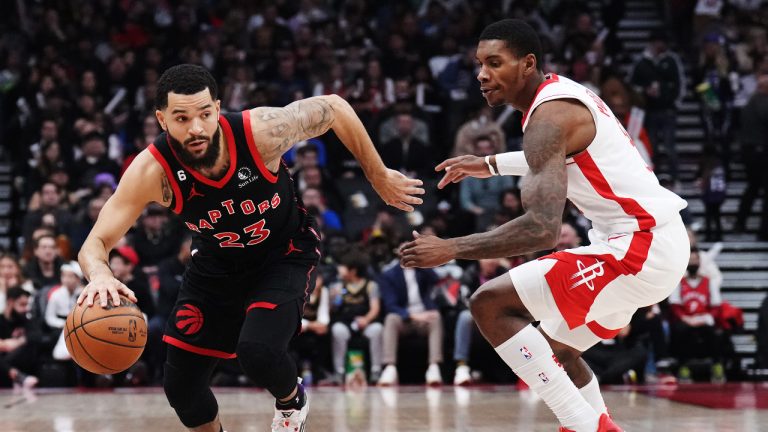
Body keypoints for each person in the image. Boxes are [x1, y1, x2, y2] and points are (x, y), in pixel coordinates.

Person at [76, 64, 423, 432]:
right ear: (162, 120)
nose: (196, 128)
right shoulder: (152, 170)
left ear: (218, 107)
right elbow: (95, 242)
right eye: (181, 118)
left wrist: (378, 174)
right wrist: (99, 274)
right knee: (182, 389)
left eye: (205, 114)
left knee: (257, 352)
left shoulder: (259, 131)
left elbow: (334, 107)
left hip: (284, 253)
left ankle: (292, 402)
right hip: (216, 266)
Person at [400, 19, 689, 432]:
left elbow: (540, 230)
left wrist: (451, 247)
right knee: (554, 352)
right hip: (650, 244)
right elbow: (556, 156)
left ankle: (580, 427)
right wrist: (490, 164)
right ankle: (599, 425)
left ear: (527, 63)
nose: (482, 74)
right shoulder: (559, 98)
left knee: (489, 304)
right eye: (480, 64)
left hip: (638, 248)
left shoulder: (549, 117)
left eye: (495, 62)